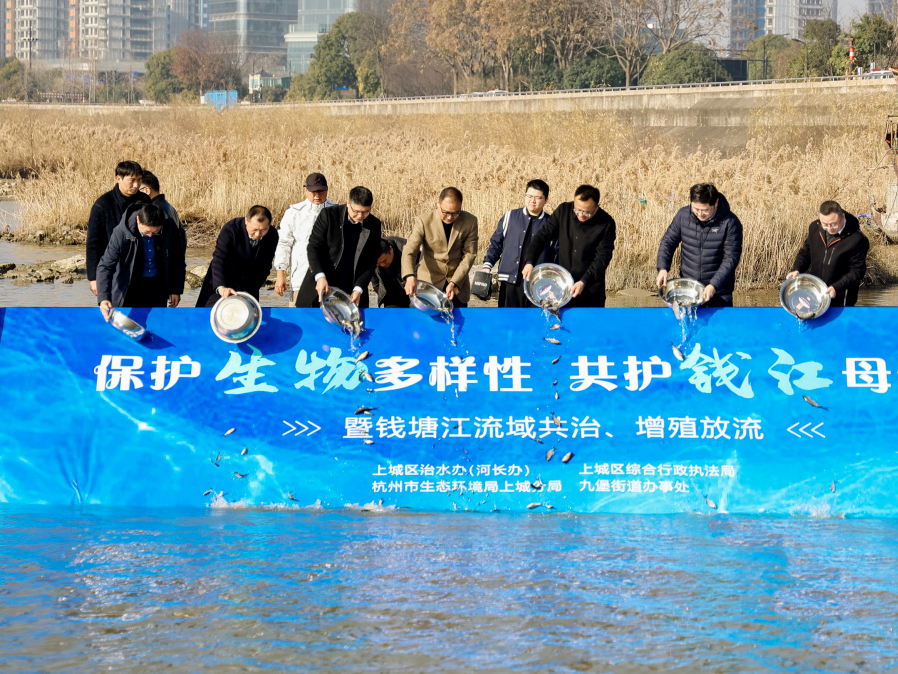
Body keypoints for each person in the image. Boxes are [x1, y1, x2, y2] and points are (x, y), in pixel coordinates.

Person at [522, 184, 615, 308]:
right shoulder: (563, 211)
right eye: (577, 210)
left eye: (587, 213)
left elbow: (602, 258)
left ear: (597, 207)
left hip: (590, 288)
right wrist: (529, 261)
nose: (581, 215)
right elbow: (543, 236)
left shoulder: (606, 223)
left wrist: (584, 281)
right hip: (562, 286)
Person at [655, 183, 743, 308]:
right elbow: (668, 242)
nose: (700, 214)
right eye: (696, 209)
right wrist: (663, 268)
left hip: (719, 292)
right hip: (689, 289)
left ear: (716, 203)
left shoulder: (730, 223)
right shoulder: (683, 216)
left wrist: (713, 285)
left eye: (705, 210)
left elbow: (731, 259)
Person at [294, 186, 382, 308]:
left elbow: (370, 261)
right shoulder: (329, 215)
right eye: (356, 211)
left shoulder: (374, 224)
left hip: (352, 288)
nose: (360, 216)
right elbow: (313, 247)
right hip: (322, 282)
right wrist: (319, 276)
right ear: (348, 203)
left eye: (365, 212)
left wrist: (359, 288)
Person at [96, 204, 185, 319]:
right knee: (125, 323)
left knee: (155, 323)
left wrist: (176, 290)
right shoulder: (121, 232)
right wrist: (104, 298)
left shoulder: (170, 229)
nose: (150, 235)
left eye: (156, 232)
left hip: (157, 286)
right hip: (129, 285)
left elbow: (178, 261)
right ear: (138, 220)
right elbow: (105, 266)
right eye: (146, 232)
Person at [482, 179, 555, 307]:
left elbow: (555, 254)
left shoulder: (551, 223)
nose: (532, 201)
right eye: (529, 196)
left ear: (546, 199)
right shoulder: (510, 217)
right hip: (510, 281)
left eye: (538, 197)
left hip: (537, 284)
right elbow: (496, 244)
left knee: (533, 318)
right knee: (508, 317)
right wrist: (487, 265)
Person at [402, 187, 478, 308]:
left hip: (457, 286)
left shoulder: (470, 221)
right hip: (428, 285)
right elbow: (409, 250)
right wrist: (409, 276)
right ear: (438, 203)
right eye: (446, 212)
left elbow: (469, 255)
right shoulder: (423, 221)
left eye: (455, 213)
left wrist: (454, 282)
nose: (450, 217)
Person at [786, 200, 869, 306]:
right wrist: (797, 268)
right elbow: (806, 252)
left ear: (842, 217)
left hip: (841, 297)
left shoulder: (857, 239)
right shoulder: (814, 228)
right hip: (815, 292)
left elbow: (857, 271)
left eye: (834, 224)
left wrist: (836, 287)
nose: (829, 228)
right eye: (825, 224)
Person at [86, 160, 149, 297]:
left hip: (141, 271)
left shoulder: (145, 201)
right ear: (118, 179)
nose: (136, 185)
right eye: (132, 180)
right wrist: (94, 278)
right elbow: (93, 244)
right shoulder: (102, 205)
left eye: (139, 180)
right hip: (113, 271)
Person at [196, 205, 279, 308]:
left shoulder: (272, 235)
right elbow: (219, 259)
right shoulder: (231, 229)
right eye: (254, 229)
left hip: (249, 286)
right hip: (223, 280)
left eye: (263, 230)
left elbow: (264, 268)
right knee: (209, 313)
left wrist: (247, 292)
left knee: (246, 314)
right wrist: (222, 287)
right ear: (246, 221)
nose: (258, 234)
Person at [273, 172, 336, 306]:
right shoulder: (293, 213)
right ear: (306, 190)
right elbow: (284, 243)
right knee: (298, 315)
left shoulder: (337, 211)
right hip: (300, 277)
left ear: (327, 190)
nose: (317, 195)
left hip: (330, 279)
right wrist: (280, 273)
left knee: (330, 317)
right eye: (313, 191)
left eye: (321, 191)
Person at [139, 170, 186, 255]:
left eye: (137, 190)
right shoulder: (168, 206)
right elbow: (182, 236)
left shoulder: (155, 210)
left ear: (146, 191)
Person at [372, 236, 410, 308]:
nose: (383, 265)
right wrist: (382, 293)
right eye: (378, 264)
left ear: (391, 249)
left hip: (411, 291)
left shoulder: (408, 250)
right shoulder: (371, 257)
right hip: (391, 294)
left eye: (384, 261)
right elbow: (375, 281)